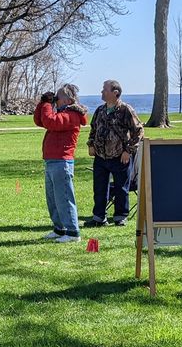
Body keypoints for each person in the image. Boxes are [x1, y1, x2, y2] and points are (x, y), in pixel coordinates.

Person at [33, 83, 88, 241]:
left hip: (62, 162)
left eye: (58, 96)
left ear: (68, 100)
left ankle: (72, 232)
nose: (55, 99)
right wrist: (43, 103)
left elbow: (50, 121)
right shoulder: (62, 112)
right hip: (52, 161)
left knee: (64, 198)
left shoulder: (72, 116)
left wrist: (47, 105)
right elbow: (40, 121)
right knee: (53, 199)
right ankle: (60, 229)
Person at [86, 79, 144, 227]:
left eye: (105, 89)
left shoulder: (126, 110)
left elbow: (138, 131)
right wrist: (91, 144)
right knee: (99, 188)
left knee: (121, 188)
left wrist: (128, 151)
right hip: (100, 156)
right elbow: (93, 128)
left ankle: (120, 216)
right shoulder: (100, 110)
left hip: (120, 156)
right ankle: (99, 217)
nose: (101, 92)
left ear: (115, 93)